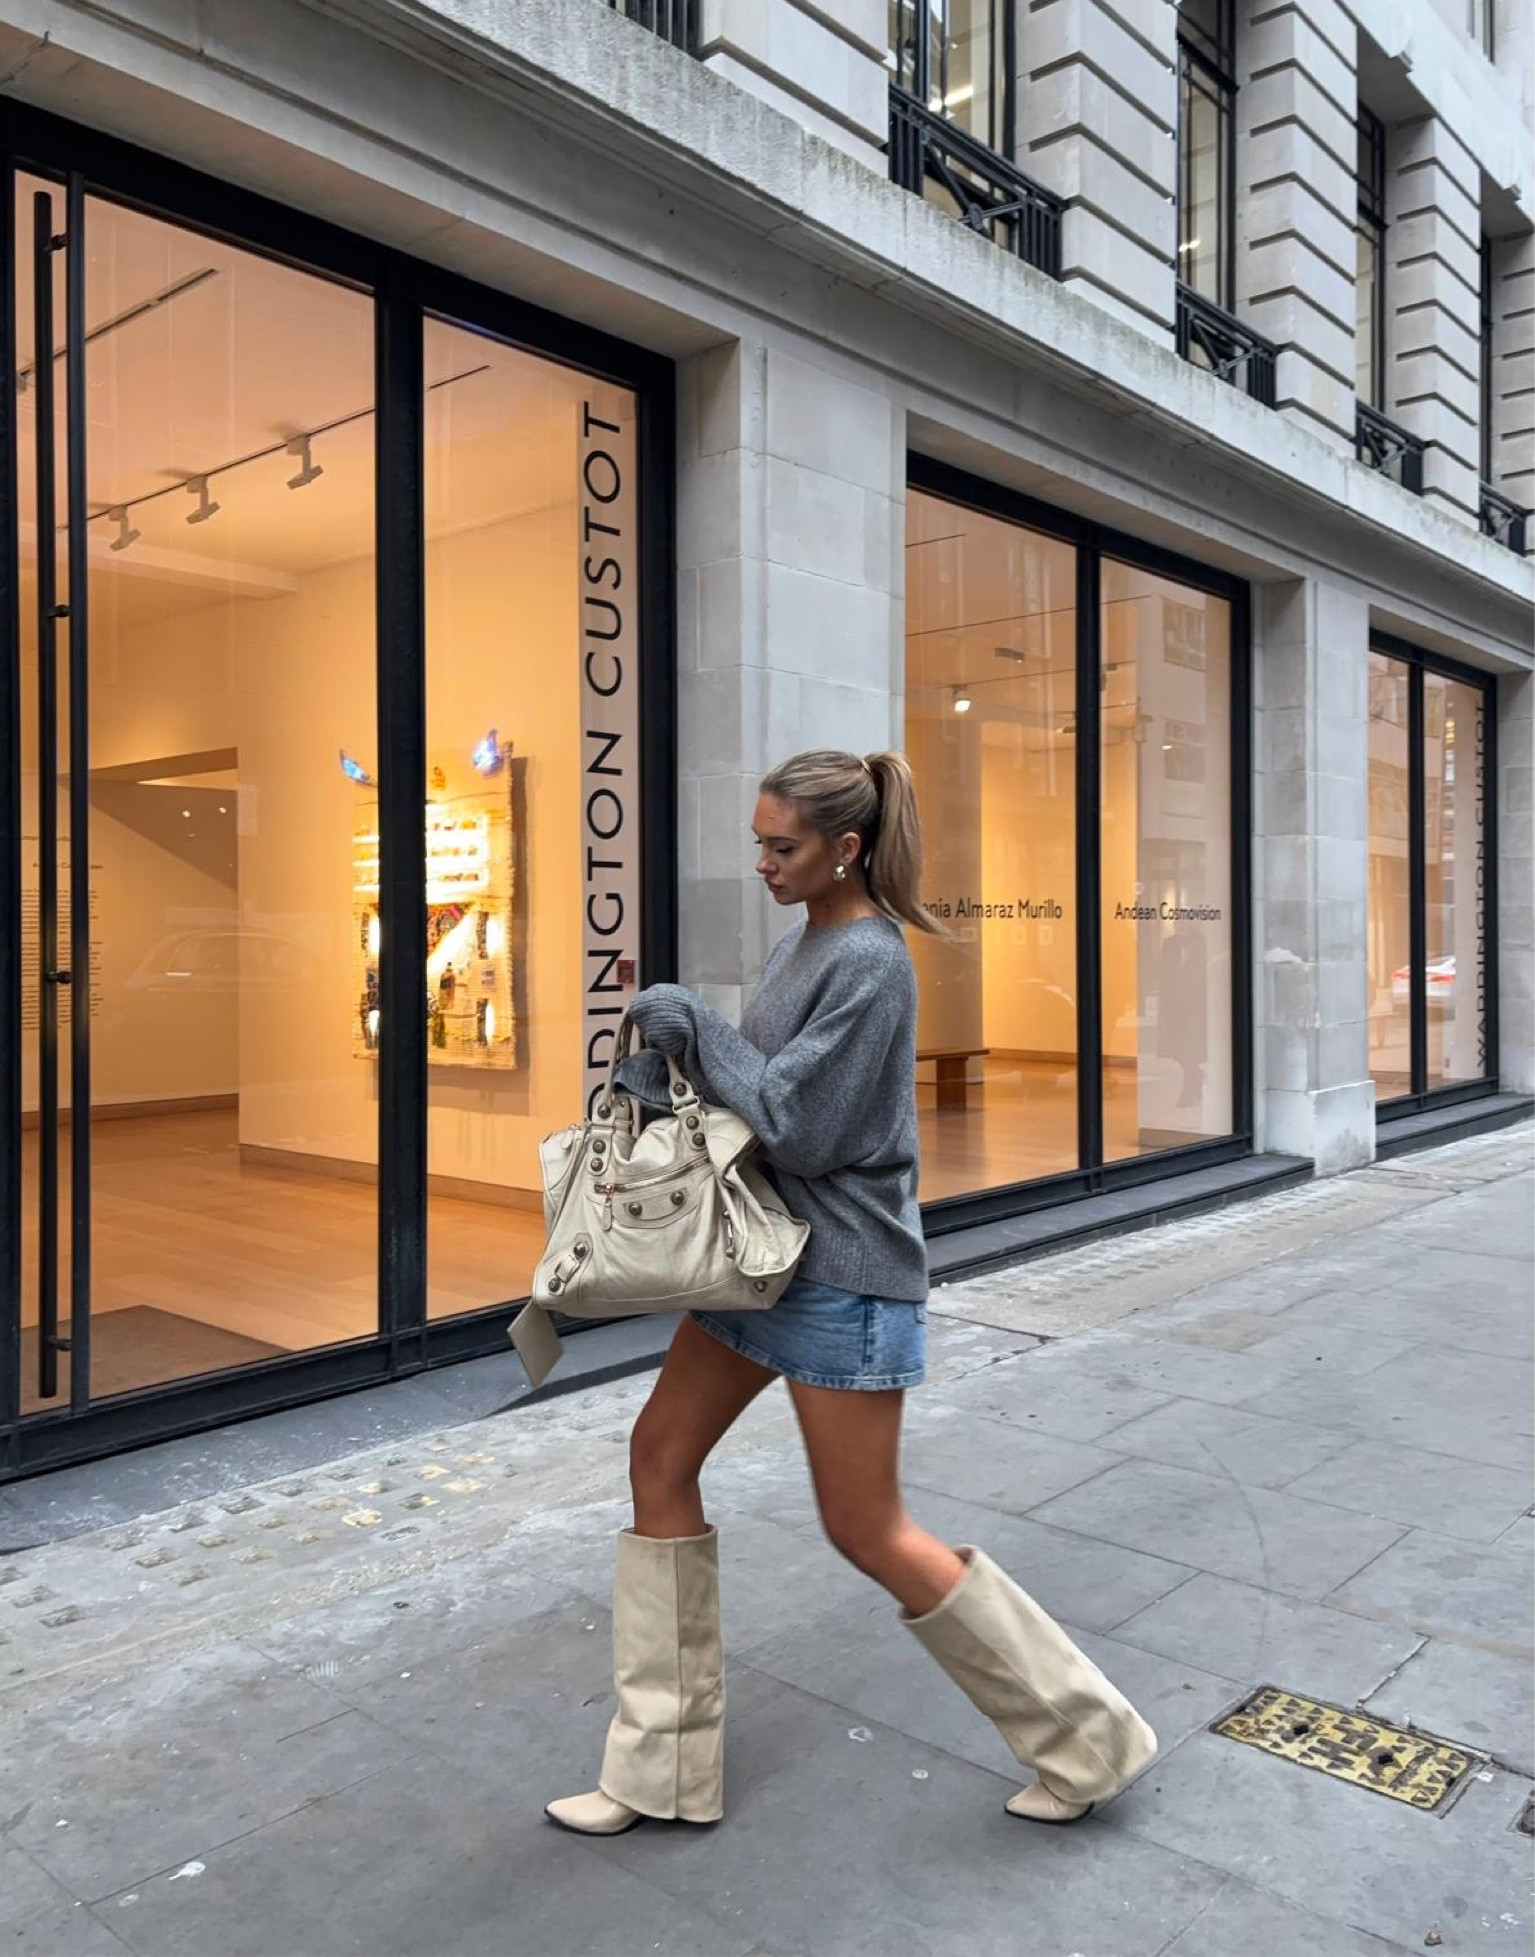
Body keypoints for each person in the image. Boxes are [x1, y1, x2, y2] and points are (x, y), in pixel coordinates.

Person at [545, 748, 1156, 1838]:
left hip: (841, 1277)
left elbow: (801, 1124)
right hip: (758, 1260)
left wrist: (697, 1019)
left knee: (865, 1525)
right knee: (658, 1456)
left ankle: (1086, 1738)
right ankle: (657, 1773)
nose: (763, 862)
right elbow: (757, 1091)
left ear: (846, 848)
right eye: (757, 842)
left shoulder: (869, 959)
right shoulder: (807, 942)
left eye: (781, 846)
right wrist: (678, 1057)